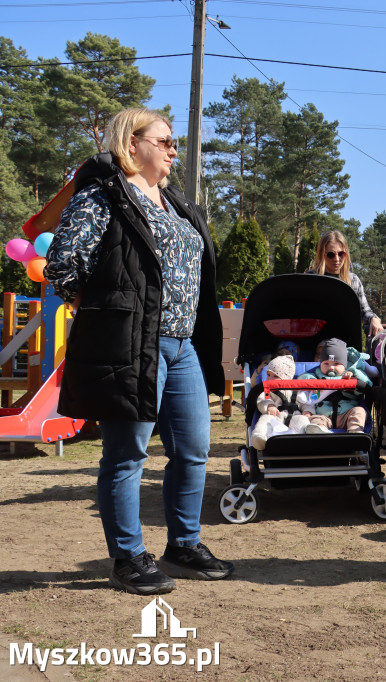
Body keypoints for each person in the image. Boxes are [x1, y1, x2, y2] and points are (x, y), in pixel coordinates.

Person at [44, 107, 233, 595]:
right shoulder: (103, 196)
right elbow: (63, 265)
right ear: (132, 145)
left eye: (174, 143)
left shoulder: (176, 203)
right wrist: (109, 311)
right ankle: (128, 558)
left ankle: (184, 545)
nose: (174, 150)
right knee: (126, 455)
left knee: (192, 451)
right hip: (132, 344)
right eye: (165, 140)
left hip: (184, 345)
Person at [307, 230, 383, 337]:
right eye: (331, 254)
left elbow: (365, 311)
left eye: (341, 254)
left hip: (343, 339)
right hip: (314, 336)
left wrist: (373, 319)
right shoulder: (311, 279)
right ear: (322, 255)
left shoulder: (353, 280)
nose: (337, 259)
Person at [297, 338, 371, 434]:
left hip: (346, 415)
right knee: (315, 419)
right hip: (323, 416)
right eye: (326, 363)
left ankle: (355, 432)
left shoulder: (349, 375)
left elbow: (365, 387)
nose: (331, 367)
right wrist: (312, 383)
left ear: (344, 365)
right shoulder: (316, 374)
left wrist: (354, 378)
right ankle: (320, 430)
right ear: (320, 364)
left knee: (359, 411)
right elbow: (302, 378)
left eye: (336, 364)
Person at [251, 355, 311, 449]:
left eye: (275, 376)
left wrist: (308, 411)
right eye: (268, 374)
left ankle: (299, 441)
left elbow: (305, 402)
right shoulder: (267, 390)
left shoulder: (297, 390)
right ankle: (260, 438)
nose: (270, 379)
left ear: (286, 378)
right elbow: (263, 399)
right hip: (275, 415)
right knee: (265, 419)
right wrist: (269, 405)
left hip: (295, 416)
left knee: (302, 420)